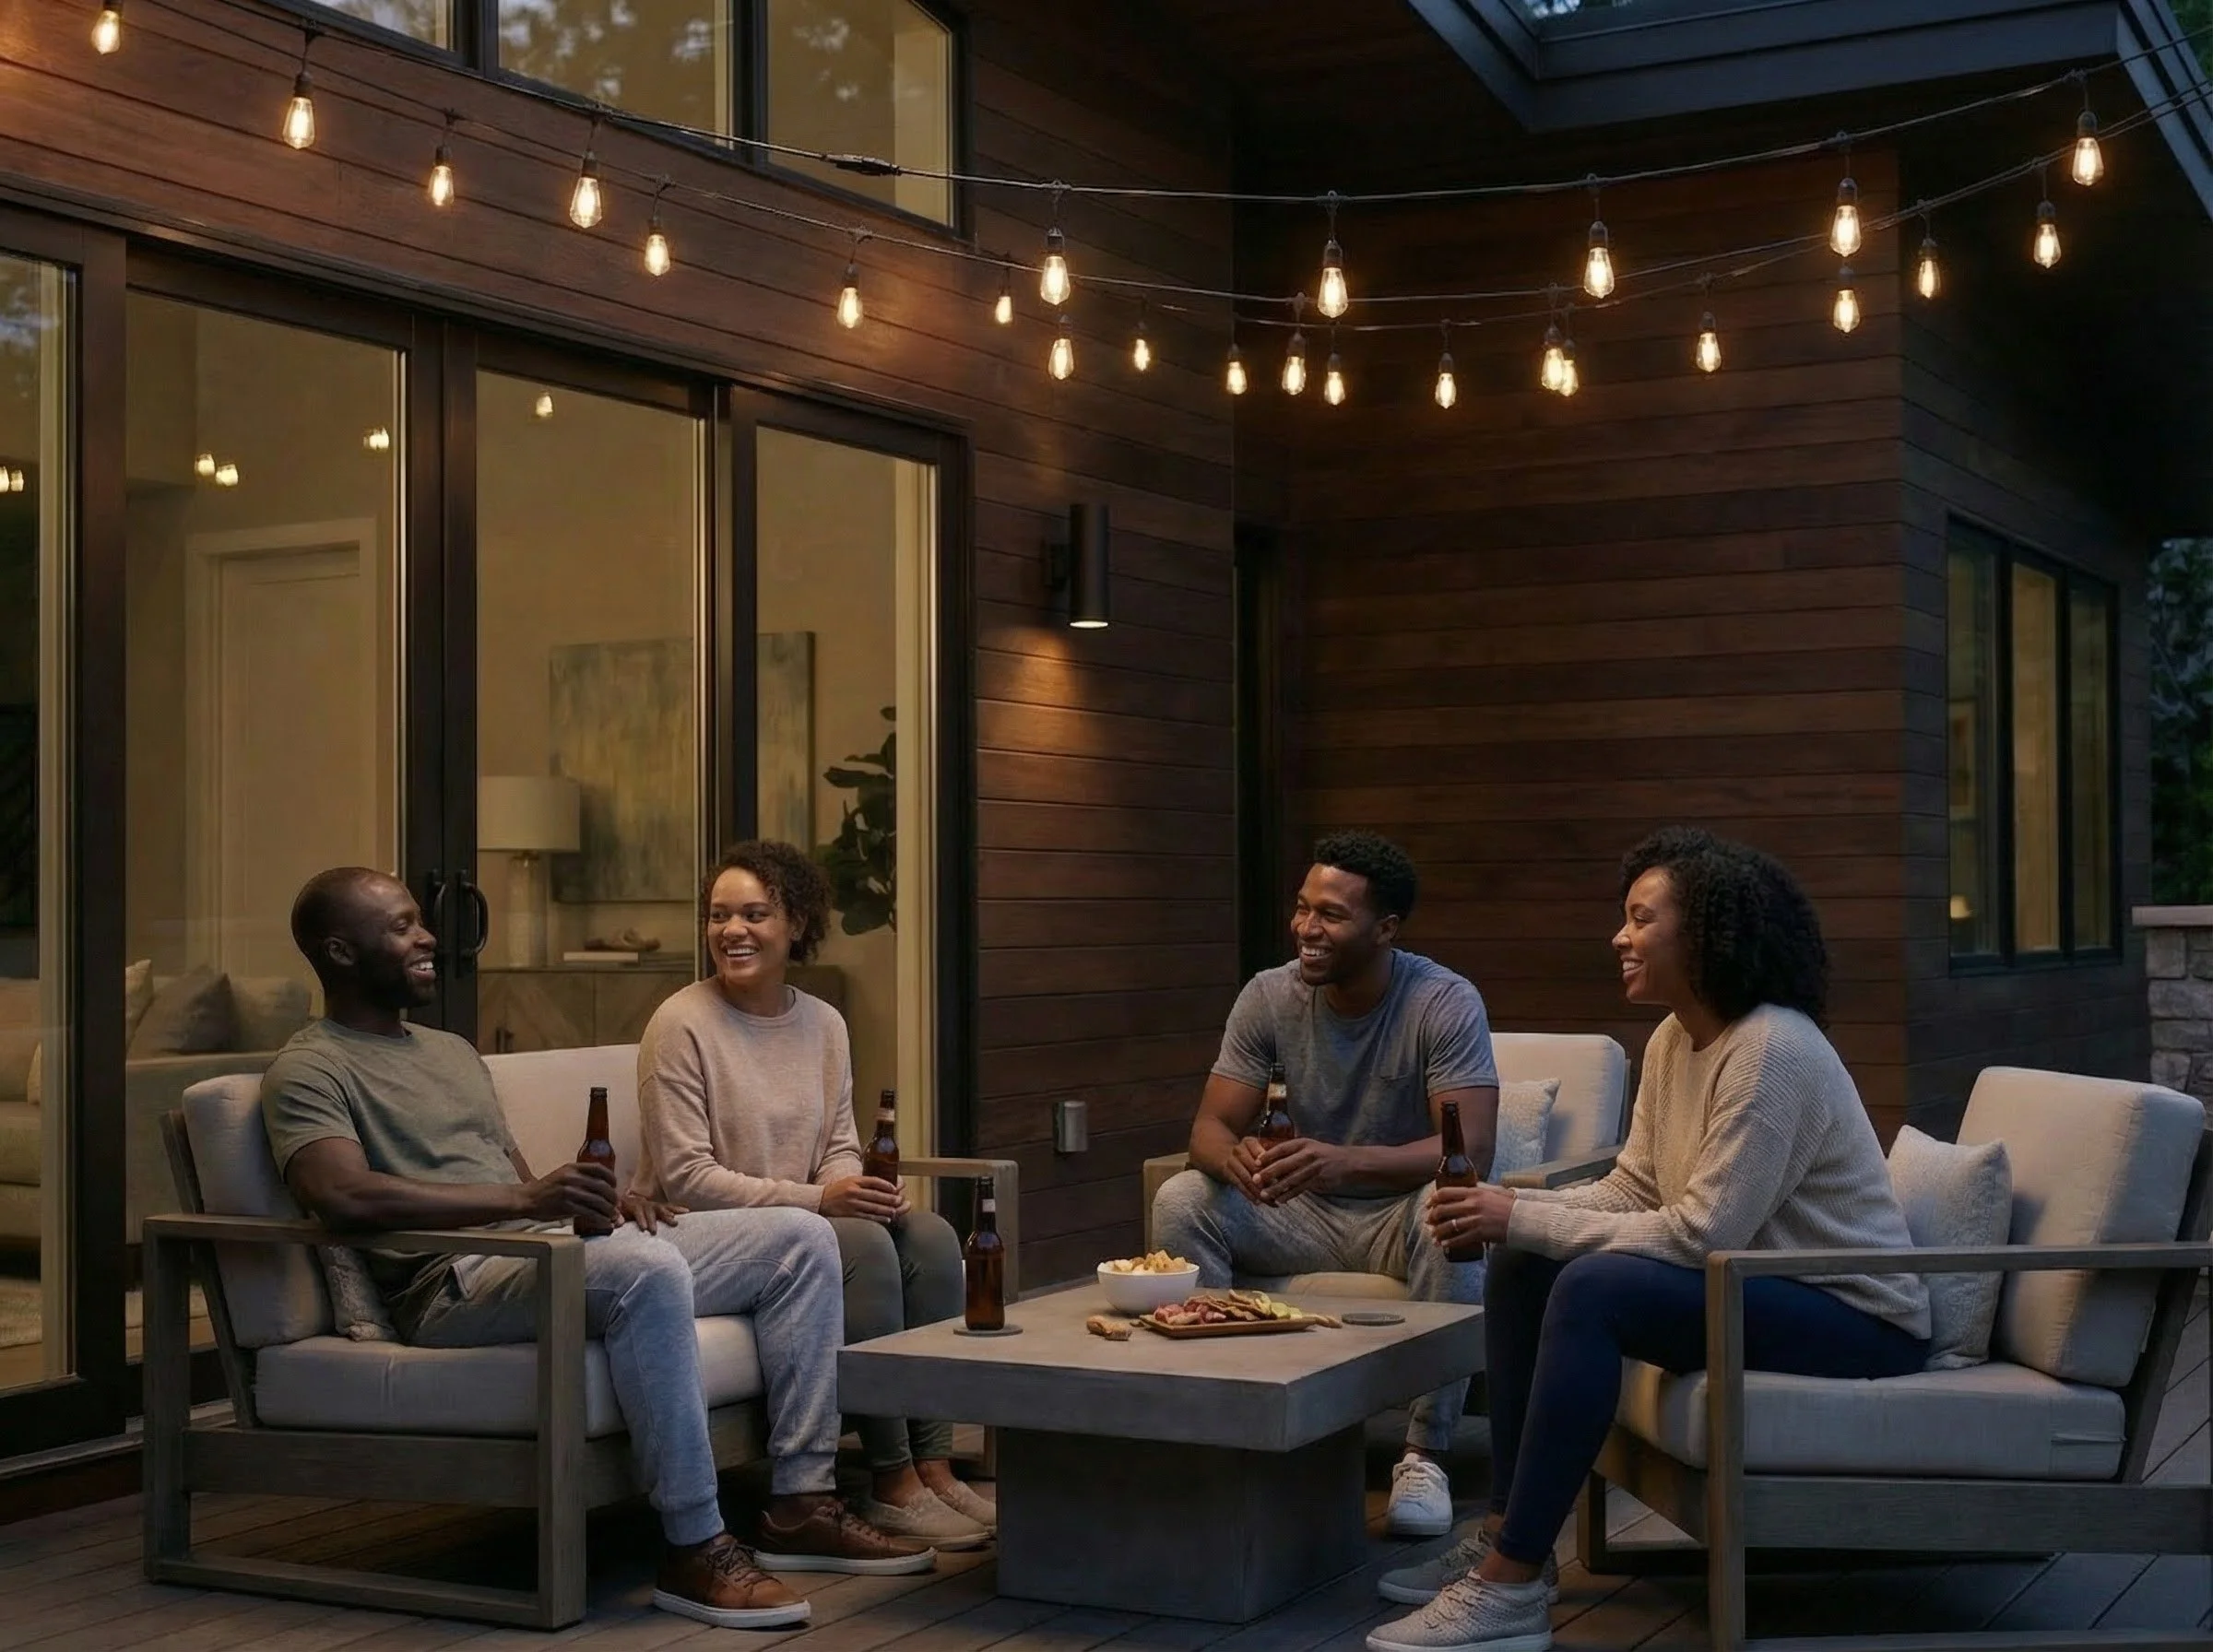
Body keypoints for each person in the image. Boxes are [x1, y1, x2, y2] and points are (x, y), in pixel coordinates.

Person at [261, 867, 934, 1636]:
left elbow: (505, 1174)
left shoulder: (447, 1051)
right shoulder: (310, 1067)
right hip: (447, 1284)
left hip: (537, 1254)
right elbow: (342, 1195)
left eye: (421, 923)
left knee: (801, 1237)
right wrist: (527, 1202)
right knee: (643, 1268)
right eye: (403, 927)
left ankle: (801, 1503)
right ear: (341, 952)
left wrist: (601, 1200)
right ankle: (694, 1546)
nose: (427, 939)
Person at [1367, 829, 1933, 1652]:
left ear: (1703, 932)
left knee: (1596, 1288)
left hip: (1852, 1314)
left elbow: (1704, 1231)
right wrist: (1516, 1210)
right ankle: (1503, 1533)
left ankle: (1513, 1587)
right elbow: (1637, 1187)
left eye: (1640, 918)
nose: (1619, 937)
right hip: (1754, 1285)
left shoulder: (1771, 1049)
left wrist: (1520, 1214)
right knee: (1528, 1263)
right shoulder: (1674, 1039)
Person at [632, 841, 994, 1551]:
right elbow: (687, 1179)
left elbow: (835, 1140)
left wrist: (856, 1187)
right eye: (719, 916)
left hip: (799, 1218)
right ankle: (890, 1482)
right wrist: (822, 1200)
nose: (732, 930)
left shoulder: (824, 1023)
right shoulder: (680, 1023)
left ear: (796, 922)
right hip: (706, 1231)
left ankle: (934, 1462)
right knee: (859, 1243)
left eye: (755, 914)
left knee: (927, 1237)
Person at [1152, 831, 1499, 1539]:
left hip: (1397, 1219)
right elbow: (1210, 1129)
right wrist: (1235, 1162)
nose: (1307, 929)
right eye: (1303, 908)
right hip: (1296, 1216)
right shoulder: (1268, 997)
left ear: (1386, 928)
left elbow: (1471, 1150)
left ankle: (1423, 1452)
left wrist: (1343, 1161)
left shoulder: (1443, 1001)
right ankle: (1231, 1418)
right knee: (1181, 1197)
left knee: (1452, 1209)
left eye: (1332, 915)